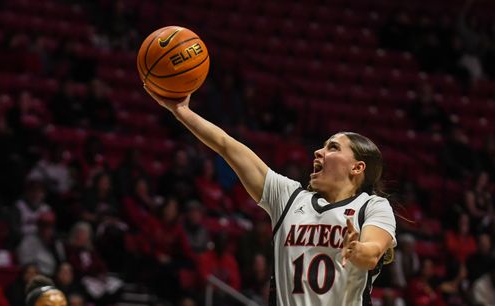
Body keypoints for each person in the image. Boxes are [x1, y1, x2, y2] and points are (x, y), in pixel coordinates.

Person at [144, 88, 396, 305]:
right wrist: (181, 111)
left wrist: (356, 249)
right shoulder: (288, 197)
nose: (318, 152)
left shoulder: (372, 206)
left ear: (357, 167)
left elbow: (372, 253)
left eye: (332, 147)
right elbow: (226, 145)